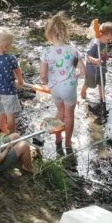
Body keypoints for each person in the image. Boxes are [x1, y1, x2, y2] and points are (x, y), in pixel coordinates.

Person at [40, 12, 85, 152]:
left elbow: (43, 75)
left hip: (55, 89)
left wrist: (45, 82)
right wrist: (76, 76)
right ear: (65, 32)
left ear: (49, 34)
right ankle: (68, 143)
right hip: (69, 88)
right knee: (69, 114)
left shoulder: (46, 52)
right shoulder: (73, 50)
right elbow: (83, 71)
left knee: (60, 111)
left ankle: (57, 138)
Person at [80, 21, 112, 101]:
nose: (109, 41)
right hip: (93, 70)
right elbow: (88, 56)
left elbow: (102, 53)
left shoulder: (104, 42)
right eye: (108, 39)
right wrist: (95, 60)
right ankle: (83, 92)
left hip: (101, 68)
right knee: (89, 82)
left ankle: (101, 97)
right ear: (101, 34)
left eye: (111, 40)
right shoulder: (95, 44)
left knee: (102, 83)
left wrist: (106, 56)